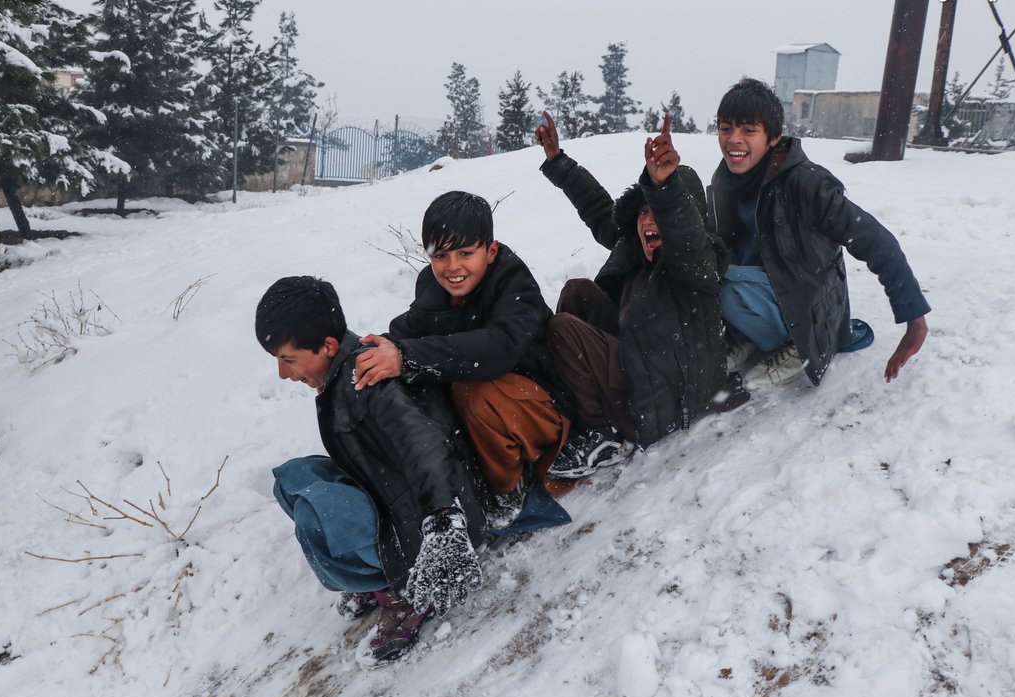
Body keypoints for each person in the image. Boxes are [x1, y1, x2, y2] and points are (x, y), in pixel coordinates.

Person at [257, 276, 486, 666]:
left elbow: (424, 443)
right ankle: (377, 573)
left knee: (317, 510)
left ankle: (405, 592)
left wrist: (442, 521)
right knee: (294, 480)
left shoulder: (368, 378)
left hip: (431, 518)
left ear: (329, 346)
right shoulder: (341, 371)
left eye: (288, 359)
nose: (282, 373)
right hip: (394, 495)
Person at [535, 112, 749, 478]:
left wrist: (664, 188)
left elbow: (685, 236)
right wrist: (557, 160)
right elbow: (598, 208)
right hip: (638, 365)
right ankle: (572, 400)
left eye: (660, 214)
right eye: (644, 212)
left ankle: (603, 433)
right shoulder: (633, 246)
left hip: (665, 400)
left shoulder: (696, 266)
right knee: (576, 292)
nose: (650, 221)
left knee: (563, 329)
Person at [351, 191, 574, 529]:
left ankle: (507, 492)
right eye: (441, 255)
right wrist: (372, 352)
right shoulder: (434, 287)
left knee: (473, 392)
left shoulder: (515, 284)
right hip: (497, 417)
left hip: (545, 409)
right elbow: (409, 330)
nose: (453, 267)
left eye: (466, 253)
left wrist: (406, 357)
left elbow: (497, 348)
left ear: (491, 251)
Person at [707, 78, 929, 388]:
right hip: (761, 289)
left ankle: (798, 346)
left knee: (724, 281)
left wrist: (914, 317)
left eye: (748, 130)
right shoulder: (725, 180)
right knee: (704, 273)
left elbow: (876, 241)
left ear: (773, 137)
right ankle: (749, 334)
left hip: (805, 304)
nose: (734, 139)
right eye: (725, 128)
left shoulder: (806, 184)